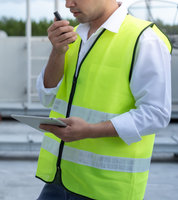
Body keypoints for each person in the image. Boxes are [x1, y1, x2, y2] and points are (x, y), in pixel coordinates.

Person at [35, 0, 172, 199]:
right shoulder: (74, 36)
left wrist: (90, 131)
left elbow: (156, 114)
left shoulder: (145, 39)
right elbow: (47, 96)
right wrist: (57, 52)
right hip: (59, 180)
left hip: (107, 189)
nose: (67, 4)